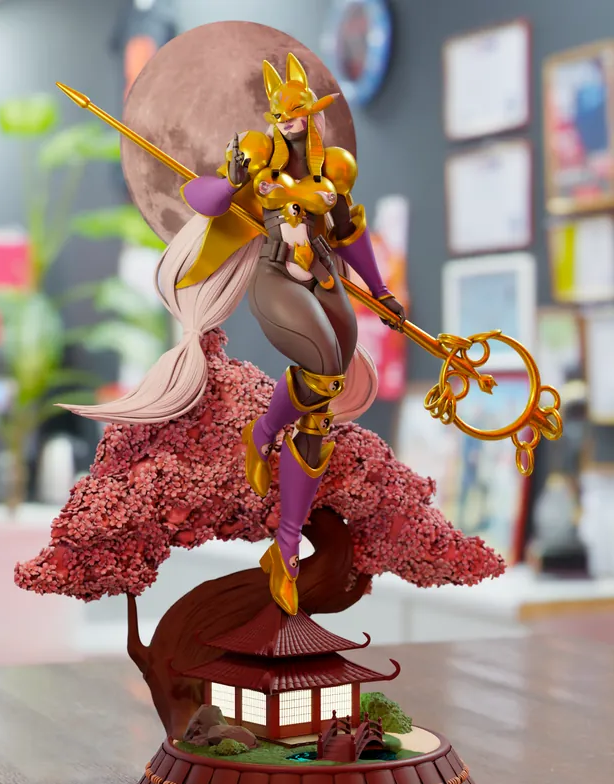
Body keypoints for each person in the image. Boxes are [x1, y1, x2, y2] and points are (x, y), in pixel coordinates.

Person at [63, 53, 406, 616]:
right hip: (277, 277)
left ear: (313, 114)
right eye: (283, 115)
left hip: (322, 274)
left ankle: (267, 460)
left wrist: (381, 291)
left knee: (324, 399)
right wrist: (234, 180)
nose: (291, 123)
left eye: (299, 114)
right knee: (323, 367)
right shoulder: (259, 153)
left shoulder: (335, 168)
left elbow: (349, 234)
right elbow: (203, 201)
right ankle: (285, 539)